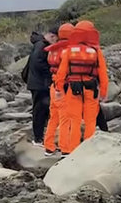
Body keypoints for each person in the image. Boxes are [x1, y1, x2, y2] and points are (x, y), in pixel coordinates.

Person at [55, 20, 108, 154]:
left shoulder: (69, 51)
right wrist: (103, 92)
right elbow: (102, 73)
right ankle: (88, 150)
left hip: (74, 90)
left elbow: (61, 72)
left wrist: (59, 89)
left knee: (75, 121)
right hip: (91, 89)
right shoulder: (96, 51)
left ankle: (74, 150)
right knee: (90, 121)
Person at [43, 23, 74, 156]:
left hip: (53, 85)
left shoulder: (52, 50)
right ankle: (65, 148)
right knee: (65, 118)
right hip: (62, 87)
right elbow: (65, 71)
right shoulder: (67, 50)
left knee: (53, 118)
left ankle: (49, 146)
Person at [26, 27, 58, 146]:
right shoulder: (42, 45)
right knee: (39, 111)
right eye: (56, 40)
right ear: (52, 36)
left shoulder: (38, 43)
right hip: (40, 84)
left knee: (42, 111)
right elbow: (38, 64)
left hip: (36, 83)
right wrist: (51, 73)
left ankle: (41, 136)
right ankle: (38, 138)